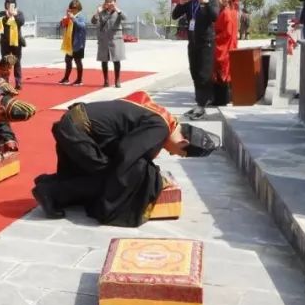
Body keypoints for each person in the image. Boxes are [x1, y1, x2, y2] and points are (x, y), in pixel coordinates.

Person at [32, 91, 218, 226]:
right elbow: (127, 154)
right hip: (79, 132)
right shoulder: (160, 128)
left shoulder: (161, 116)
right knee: (110, 176)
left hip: (75, 124)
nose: (171, 154)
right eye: (179, 153)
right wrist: (153, 179)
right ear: (183, 142)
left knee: (106, 169)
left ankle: (49, 182)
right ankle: (50, 191)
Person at [172, 0, 221, 119]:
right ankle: (199, 103)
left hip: (206, 42)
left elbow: (215, 17)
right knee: (194, 73)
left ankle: (202, 105)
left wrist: (206, 3)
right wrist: (181, 3)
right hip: (193, 42)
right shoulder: (189, 1)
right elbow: (175, 16)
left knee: (204, 74)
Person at [212, 0, 240, 107]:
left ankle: (221, 100)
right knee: (223, 73)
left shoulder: (226, 13)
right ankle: (222, 98)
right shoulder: (230, 11)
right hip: (226, 45)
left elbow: (226, 33)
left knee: (221, 72)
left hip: (223, 46)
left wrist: (213, 38)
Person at [90, 0, 126, 88]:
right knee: (104, 61)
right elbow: (93, 21)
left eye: (111, 1)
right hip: (104, 39)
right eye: (107, 2)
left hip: (115, 40)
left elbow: (125, 18)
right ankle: (106, 80)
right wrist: (97, 12)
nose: (109, 3)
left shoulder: (118, 12)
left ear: (115, 2)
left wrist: (117, 10)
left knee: (116, 60)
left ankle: (117, 80)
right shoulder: (102, 12)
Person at [0, 0, 25, 89]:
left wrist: (14, 15)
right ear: (5, 4)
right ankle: (5, 82)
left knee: (17, 62)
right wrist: (6, 17)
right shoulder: (1, 14)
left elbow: (21, 22)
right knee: (4, 63)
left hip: (16, 42)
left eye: (11, 4)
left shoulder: (19, 13)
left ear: (14, 4)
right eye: (7, 4)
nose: (9, 6)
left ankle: (18, 82)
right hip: (5, 42)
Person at [59, 0, 87, 86]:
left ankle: (79, 79)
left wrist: (73, 18)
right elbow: (62, 26)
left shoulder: (81, 17)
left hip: (78, 43)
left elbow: (82, 26)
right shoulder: (69, 16)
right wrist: (64, 20)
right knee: (67, 60)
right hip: (69, 42)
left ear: (78, 8)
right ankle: (66, 78)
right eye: (71, 8)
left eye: (74, 8)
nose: (73, 10)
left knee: (78, 61)